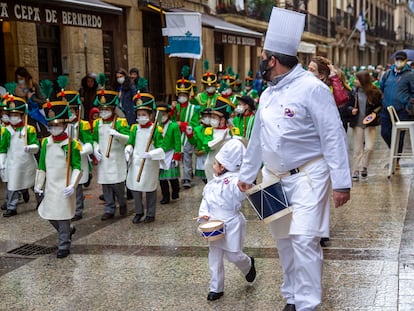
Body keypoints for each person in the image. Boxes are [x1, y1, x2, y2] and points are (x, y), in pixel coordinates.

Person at [237, 8, 351, 310]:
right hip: (273, 178)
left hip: (309, 177)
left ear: (272, 60)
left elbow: (333, 136)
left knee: (304, 241)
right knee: (284, 242)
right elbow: (258, 137)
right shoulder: (268, 93)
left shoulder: (313, 88)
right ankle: (291, 296)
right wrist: (247, 174)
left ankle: (308, 304)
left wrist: (342, 183)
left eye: (262, 55)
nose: (260, 60)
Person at [198, 139, 256, 301]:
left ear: (223, 166)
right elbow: (205, 201)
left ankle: (248, 264)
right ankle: (216, 288)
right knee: (214, 256)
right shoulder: (211, 184)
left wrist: (244, 185)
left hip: (231, 222)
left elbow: (241, 194)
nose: (213, 166)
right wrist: (204, 216)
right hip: (213, 225)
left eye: (215, 164)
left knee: (233, 255)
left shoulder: (234, 181)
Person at [34, 100, 81, 258]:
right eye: (51, 125)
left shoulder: (71, 144)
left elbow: (77, 167)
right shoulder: (46, 142)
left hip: (65, 185)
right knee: (48, 214)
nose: (54, 128)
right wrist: (39, 184)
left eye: (57, 125)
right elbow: (42, 165)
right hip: (51, 185)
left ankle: (63, 244)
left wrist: (73, 185)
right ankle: (68, 229)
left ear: (65, 125)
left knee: (62, 215)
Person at [125, 92, 164, 224]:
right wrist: (128, 149)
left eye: (144, 115)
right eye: (139, 115)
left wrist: (151, 154)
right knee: (135, 187)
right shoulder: (134, 128)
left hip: (149, 163)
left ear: (150, 115)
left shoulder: (156, 129)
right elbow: (131, 141)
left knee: (149, 188)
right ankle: (138, 211)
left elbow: (161, 147)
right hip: (136, 161)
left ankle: (150, 213)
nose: (141, 117)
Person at [92, 85, 130, 220]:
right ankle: (109, 208)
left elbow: (128, 139)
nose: (103, 112)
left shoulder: (120, 122)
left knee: (117, 185)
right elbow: (94, 139)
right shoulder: (97, 123)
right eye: (101, 109)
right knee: (106, 185)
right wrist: (95, 148)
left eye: (106, 109)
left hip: (116, 159)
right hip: (103, 159)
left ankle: (122, 202)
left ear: (113, 109)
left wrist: (118, 134)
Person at [57, 86, 94, 220]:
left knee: (76, 185)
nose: (69, 113)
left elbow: (89, 141)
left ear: (76, 111)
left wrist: (84, 149)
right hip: (64, 159)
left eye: (71, 110)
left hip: (78, 159)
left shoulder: (82, 125)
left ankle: (78, 209)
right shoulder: (61, 125)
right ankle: (67, 207)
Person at [0, 95, 39, 217]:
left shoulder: (29, 129)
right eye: (11, 115)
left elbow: (36, 145)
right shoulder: (6, 130)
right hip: (13, 162)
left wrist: (31, 147)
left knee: (34, 183)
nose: (13, 118)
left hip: (28, 162)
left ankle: (41, 201)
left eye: (16, 115)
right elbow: (3, 148)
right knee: (12, 184)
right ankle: (12, 206)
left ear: (22, 115)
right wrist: (2, 162)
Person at [379, 51, 414, 170]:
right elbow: (381, 87)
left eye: (401, 59)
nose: (399, 61)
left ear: (405, 60)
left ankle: (396, 160)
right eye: (397, 59)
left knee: (399, 135)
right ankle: (393, 151)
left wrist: (408, 103)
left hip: (402, 110)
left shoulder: (410, 74)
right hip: (386, 109)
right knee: (384, 132)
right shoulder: (388, 73)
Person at [350, 70, 383, 181]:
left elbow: (380, 106)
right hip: (357, 123)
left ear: (363, 80)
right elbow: (349, 105)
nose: (355, 81)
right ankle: (356, 170)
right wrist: (351, 110)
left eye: (357, 79)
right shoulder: (354, 91)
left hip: (370, 123)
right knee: (357, 149)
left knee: (369, 147)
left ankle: (364, 166)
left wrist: (374, 113)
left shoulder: (374, 92)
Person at [172, 75, 200, 189]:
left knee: (187, 157)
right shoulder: (176, 107)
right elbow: (170, 120)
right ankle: (177, 176)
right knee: (178, 156)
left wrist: (182, 125)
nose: (182, 97)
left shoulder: (193, 108)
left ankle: (187, 178)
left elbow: (194, 124)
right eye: (180, 95)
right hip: (177, 136)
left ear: (188, 96)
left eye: (184, 95)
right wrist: (172, 111)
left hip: (187, 136)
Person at [13, 67, 49, 138]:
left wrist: (33, 99)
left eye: (21, 79)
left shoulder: (34, 86)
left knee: (41, 134)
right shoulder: (16, 89)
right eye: (18, 79)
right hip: (24, 116)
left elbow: (43, 101)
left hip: (37, 115)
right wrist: (26, 99)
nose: (20, 81)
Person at [157, 104, 181, 205]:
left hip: (171, 153)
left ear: (168, 114)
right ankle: (165, 196)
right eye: (159, 114)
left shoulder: (174, 126)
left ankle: (175, 191)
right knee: (162, 178)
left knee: (172, 177)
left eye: (164, 114)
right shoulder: (156, 126)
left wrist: (177, 155)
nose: (162, 116)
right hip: (160, 153)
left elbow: (177, 141)